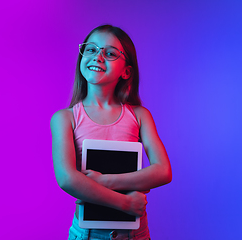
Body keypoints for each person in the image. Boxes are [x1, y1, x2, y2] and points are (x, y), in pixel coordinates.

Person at [50, 25, 172, 240]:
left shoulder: (139, 115)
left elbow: (163, 171)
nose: (98, 56)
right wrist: (125, 203)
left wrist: (105, 181)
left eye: (110, 53)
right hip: (87, 235)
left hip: (135, 235)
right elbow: (67, 179)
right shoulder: (65, 118)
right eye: (91, 49)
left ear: (126, 71)